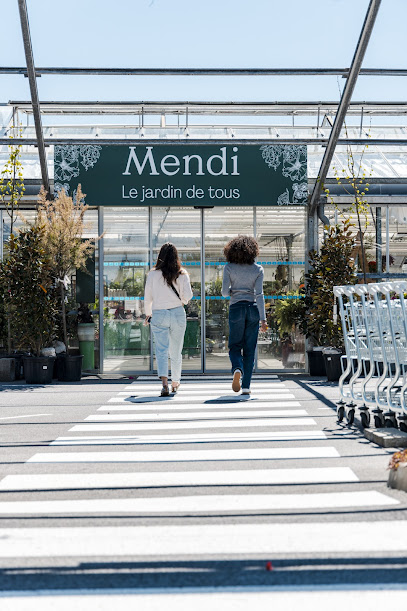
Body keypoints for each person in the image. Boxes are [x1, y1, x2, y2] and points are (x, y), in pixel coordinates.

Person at [144, 242, 193, 396]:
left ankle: (164, 384)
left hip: (159, 314)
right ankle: (175, 382)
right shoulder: (182, 273)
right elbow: (188, 297)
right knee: (176, 350)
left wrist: (147, 314)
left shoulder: (152, 274)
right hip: (178, 313)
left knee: (161, 350)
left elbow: (147, 297)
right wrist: (181, 300)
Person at [222, 235, 267, 394]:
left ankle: (237, 368)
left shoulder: (228, 268)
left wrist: (235, 291)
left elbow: (224, 293)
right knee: (250, 348)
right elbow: (260, 295)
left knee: (235, 346)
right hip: (253, 309)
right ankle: (246, 386)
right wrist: (263, 319)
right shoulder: (258, 269)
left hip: (236, 308)